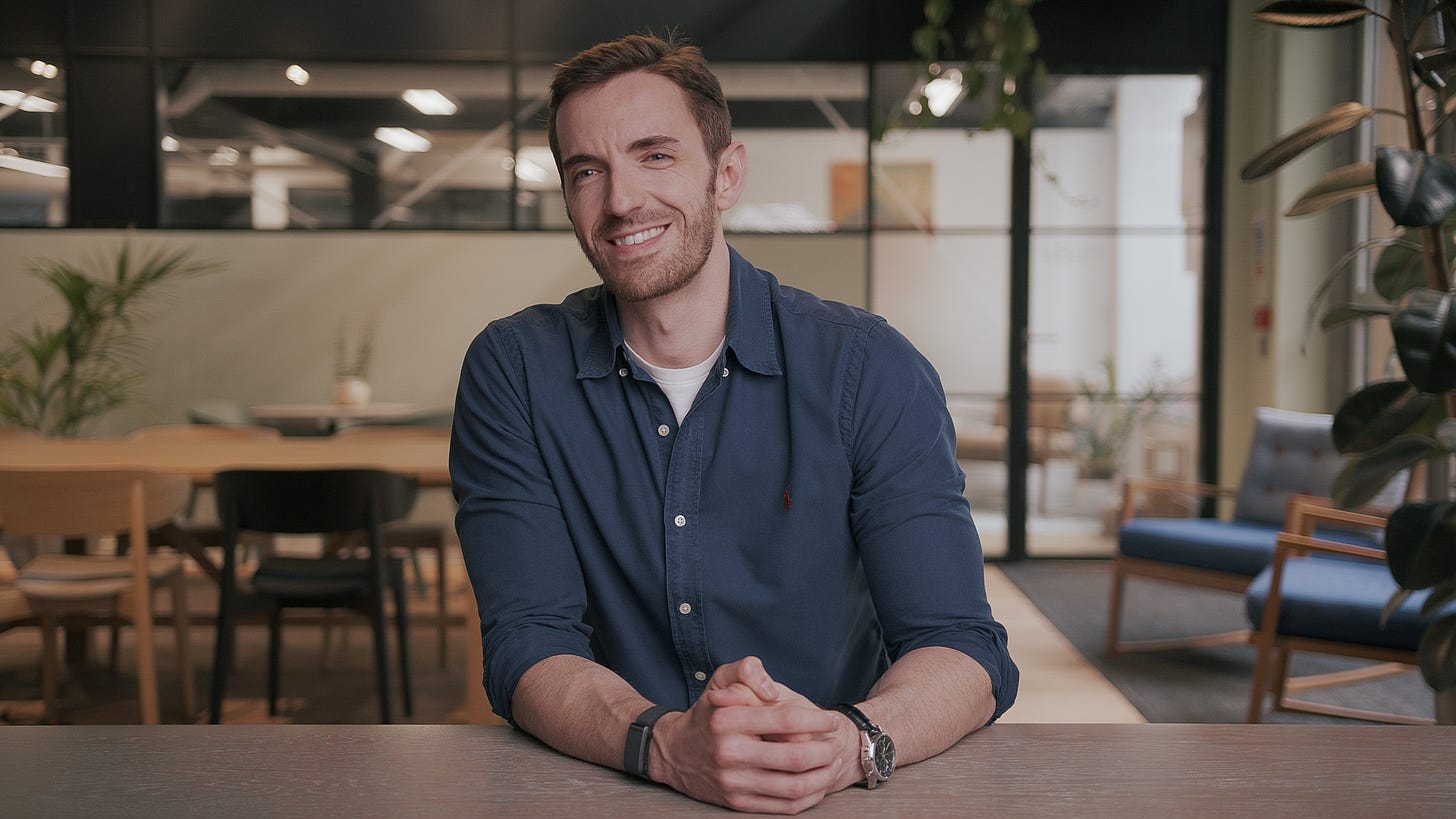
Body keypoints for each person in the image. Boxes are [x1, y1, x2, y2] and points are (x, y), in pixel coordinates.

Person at [451, 32, 1018, 814]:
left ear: (726, 174)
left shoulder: (868, 367)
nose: (620, 202)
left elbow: (961, 644)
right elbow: (527, 642)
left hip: (839, 793)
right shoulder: (514, 371)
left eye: (655, 156)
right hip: (609, 787)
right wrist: (662, 745)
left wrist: (847, 744)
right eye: (588, 171)